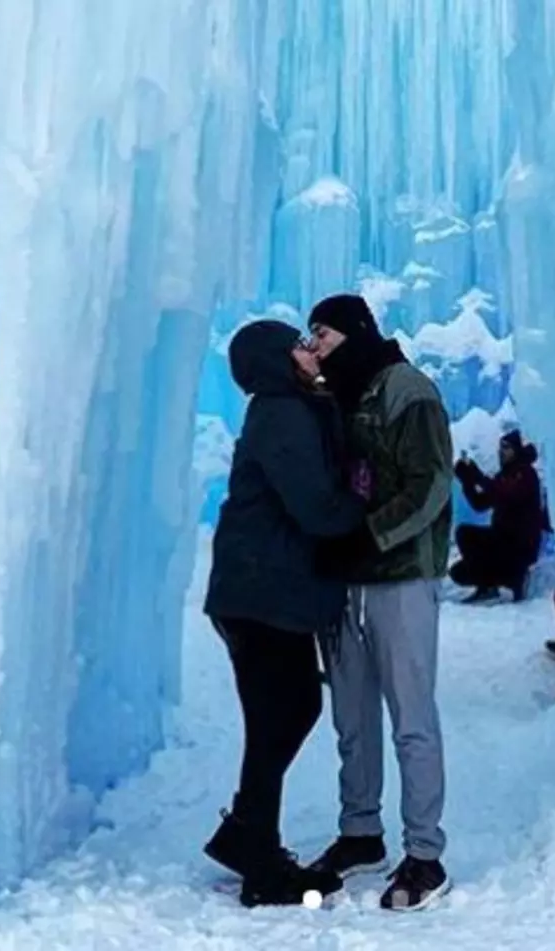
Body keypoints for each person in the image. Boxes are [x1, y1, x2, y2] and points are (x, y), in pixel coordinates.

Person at [202, 319, 366, 908]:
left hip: (262, 593)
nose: (308, 350)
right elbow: (318, 508)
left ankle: (248, 836)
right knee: (283, 713)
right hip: (260, 595)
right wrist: (366, 499)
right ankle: (261, 864)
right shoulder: (282, 414)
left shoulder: (291, 409)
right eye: (297, 344)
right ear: (275, 360)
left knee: (285, 712)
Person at [305, 293, 454, 912]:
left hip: (399, 577)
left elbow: (431, 482)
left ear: (357, 333)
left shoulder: (405, 389)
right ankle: (360, 831)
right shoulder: (336, 397)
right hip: (346, 581)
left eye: (324, 337)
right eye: (310, 338)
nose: (315, 348)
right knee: (353, 716)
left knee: (410, 717)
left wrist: (369, 534)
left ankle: (425, 854)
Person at [450, 430, 546, 604]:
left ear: (517, 450)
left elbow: (504, 492)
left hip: (519, 546)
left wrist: (476, 476)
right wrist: (467, 480)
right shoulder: (505, 476)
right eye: (500, 447)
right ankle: (491, 585)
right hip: (503, 541)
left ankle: (515, 578)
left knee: (466, 535)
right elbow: (480, 503)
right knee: (459, 572)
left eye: (506, 447)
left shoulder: (525, 474)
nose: (501, 451)